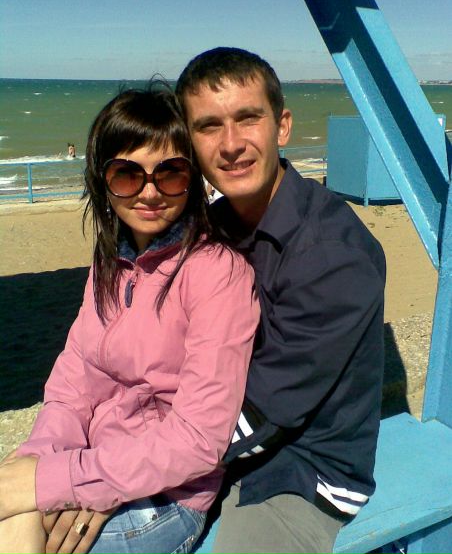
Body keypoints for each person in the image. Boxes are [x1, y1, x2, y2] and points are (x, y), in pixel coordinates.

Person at [0, 81, 259, 554]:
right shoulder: (110, 264)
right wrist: (39, 464)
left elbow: (196, 441)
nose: (149, 192)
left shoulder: (217, 275)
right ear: (102, 180)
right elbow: (74, 384)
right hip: (93, 464)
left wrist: (59, 482)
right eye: (126, 175)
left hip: (169, 497)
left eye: (170, 174)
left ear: (193, 179)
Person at [175, 47, 386, 554]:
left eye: (248, 118)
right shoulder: (212, 229)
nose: (231, 145)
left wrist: (137, 462)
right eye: (209, 126)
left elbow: (266, 409)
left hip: (307, 467)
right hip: (216, 437)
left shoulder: (333, 253)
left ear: (282, 126)